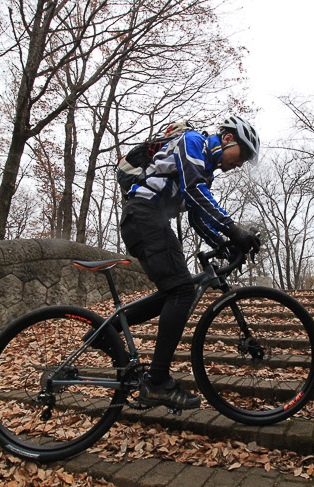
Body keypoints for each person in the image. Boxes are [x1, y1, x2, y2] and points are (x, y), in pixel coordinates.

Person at [120, 115, 262, 410]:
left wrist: (223, 244)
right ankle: (157, 383)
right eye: (243, 154)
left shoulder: (205, 167)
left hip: (148, 220)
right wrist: (233, 230)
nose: (240, 164)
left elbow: (197, 216)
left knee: (174, 292)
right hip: (144, 216)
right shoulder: (192, 141)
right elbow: (195, 191)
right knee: (183, 291)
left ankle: (109, 330)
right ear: (227, 139)